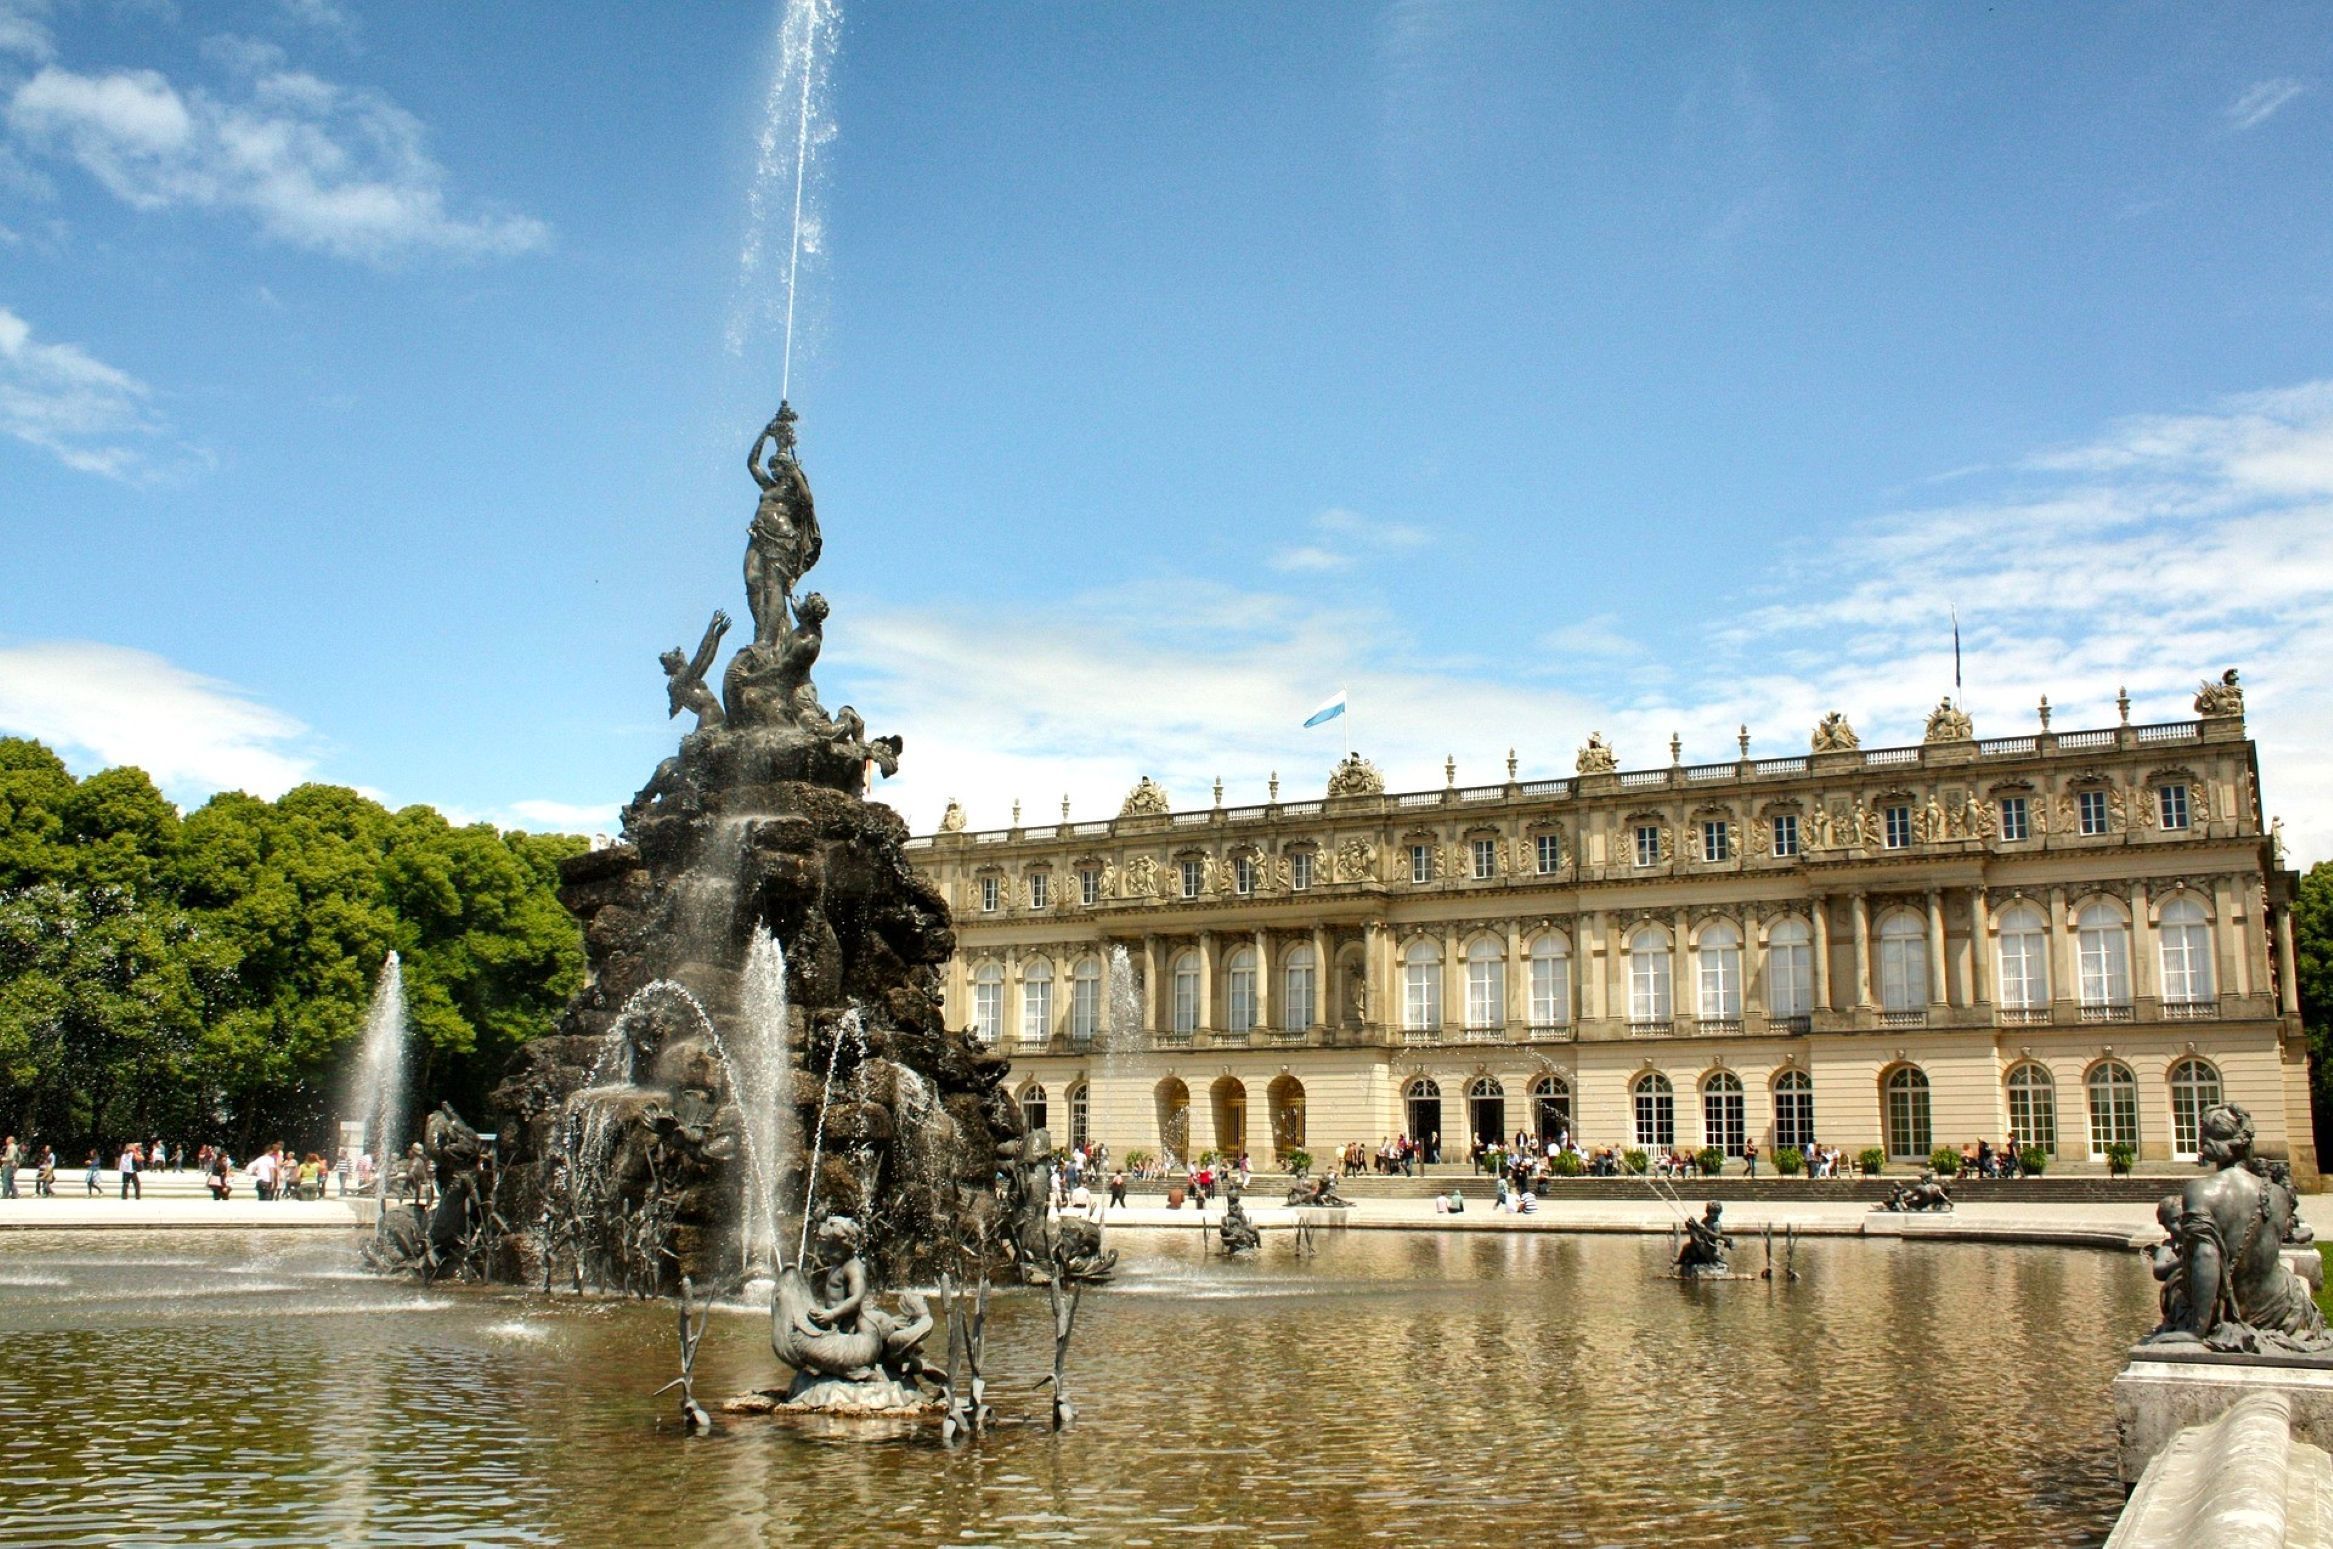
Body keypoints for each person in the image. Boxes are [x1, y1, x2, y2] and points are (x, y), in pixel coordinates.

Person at [1, 1134, 17, 1199]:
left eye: (7, 1139)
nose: (6, 1140)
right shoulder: (13, 1147)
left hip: (8, 1166)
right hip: (11, 1166)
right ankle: (14, 1194)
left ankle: (5, 1195)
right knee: (10, 1181)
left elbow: (10, 1157)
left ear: (10, 1140)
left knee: (6, 1180)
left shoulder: (11, 1147)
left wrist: (2, 1159)